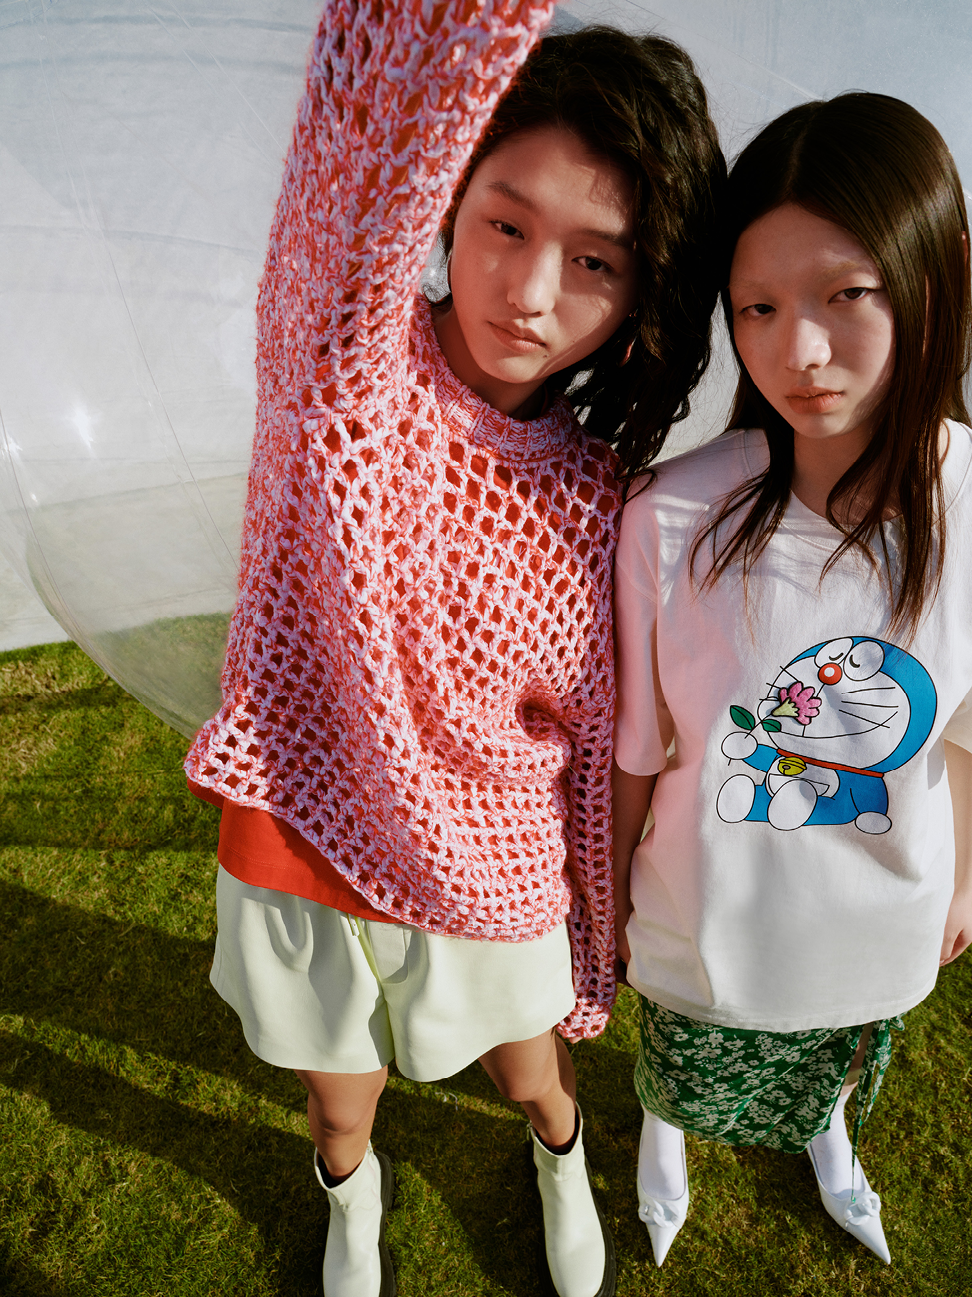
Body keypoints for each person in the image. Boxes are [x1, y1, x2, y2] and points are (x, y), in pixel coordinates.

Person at [185, 2, 724, 1294]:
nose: (531, 294)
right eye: (505, 225)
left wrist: (591, 938)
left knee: (532, 1067)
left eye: (595, 261)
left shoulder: (598, 493)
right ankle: (351, 1196)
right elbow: (349, 167)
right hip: (300, 828)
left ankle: (558, 1155)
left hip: (492, 861)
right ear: (444, 199)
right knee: (338, 1096)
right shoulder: (340, 370)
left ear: (645, 290)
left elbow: (588, 738)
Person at [612, 91, 972, 1270]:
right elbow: (640, 742)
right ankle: (661, 1138)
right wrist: (601, 901)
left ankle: (830, 1136)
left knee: (838, 1056)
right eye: (758, 308)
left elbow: (964, 724)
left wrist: (965, 874)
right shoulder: (673, 514)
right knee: (682, 1061)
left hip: (883, 915)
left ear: (939, 275)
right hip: (705, 911)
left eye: (846, 294)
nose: (797, 353)